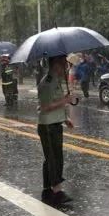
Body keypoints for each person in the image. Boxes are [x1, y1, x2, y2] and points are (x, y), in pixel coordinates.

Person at [37, 56, 75, 204]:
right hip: (48, 126)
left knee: (51, 157)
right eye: (64, 63)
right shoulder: (47, 83)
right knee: (54, 158)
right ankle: (57, 191)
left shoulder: (56, 81)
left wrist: (66, 119)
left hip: (55, 123)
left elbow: (56, 103)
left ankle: (47, 188)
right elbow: (45, 107)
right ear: (56, 65)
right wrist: (65, 100)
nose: (66, 66)